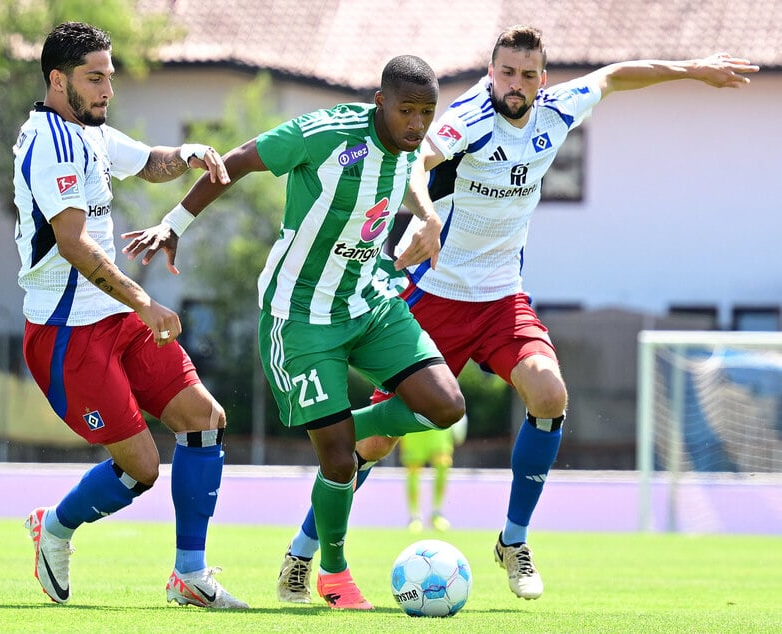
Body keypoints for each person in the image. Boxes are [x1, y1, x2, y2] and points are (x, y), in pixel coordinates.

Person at [273, 25, 760, 603]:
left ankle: (514, 540)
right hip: (435, 299)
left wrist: (692, 69)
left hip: (503, 299)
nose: (516, 84)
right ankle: (304, 553)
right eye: (506, 72)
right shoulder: (469, 118)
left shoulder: (556, 112)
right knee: (376, 445)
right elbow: (418, 159)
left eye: (528, 74)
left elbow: (614, 75)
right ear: (490, 73)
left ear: (542, 79)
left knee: (549, 394)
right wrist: (425, 219)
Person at [121, 55, 467, 610]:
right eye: (407, 111)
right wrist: (173, 222)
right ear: (380, 102)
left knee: (446, 406)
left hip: (368, 299)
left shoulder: (407, 146)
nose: (417, 124)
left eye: (426, 113)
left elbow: (411, 174)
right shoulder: (327, 133)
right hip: (299, 314)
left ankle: (338, 426)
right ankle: (329, 572)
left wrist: (425, 217)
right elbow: (236, 160)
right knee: (337, 461)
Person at [12, 21, 248, 609]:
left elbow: (148, 162)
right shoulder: (50, 142)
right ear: (57, 79)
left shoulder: (88, 133)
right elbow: (72, 242)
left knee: (203, 417)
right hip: (66, 333)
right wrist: (144, 301)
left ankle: (189, 576)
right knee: (141, 468)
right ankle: (56, 528)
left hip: (116, 320)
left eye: (109, 78)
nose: (106, 90)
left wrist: (189, 153)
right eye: (95, 78)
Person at [400, 415, 466, 533]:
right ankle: (415, 517)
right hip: (413, 420)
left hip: (438, 419)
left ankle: (436, 513)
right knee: (413, 470)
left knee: (443, 464)